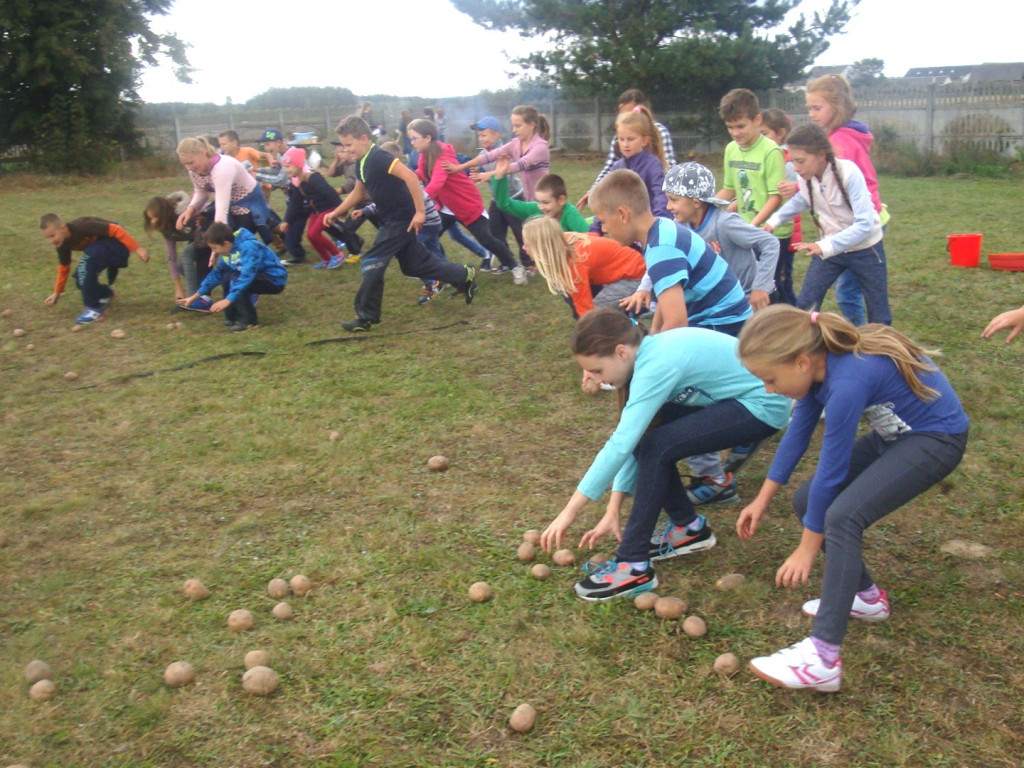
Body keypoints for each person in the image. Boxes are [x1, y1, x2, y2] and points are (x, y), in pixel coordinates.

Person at [736, 305, 968, 691]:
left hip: (936, 439)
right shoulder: (817, 373)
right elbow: (796, 438)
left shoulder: (847, 383)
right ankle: (867, 598)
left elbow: (832, 470)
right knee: (806, 501)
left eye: (770, 379)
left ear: (801, 361)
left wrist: (808, 549)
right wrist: (762, 499)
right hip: (895, 435)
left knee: (841, 517)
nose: (768, 389)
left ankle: (823, 659)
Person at [539, 309, 791, 601]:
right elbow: (633, 439)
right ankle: (689, 529)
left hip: (764, 404)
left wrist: (569, 512)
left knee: (658, 446)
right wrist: (613, 508)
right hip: (731, 398)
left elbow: (620, 444)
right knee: (652, 440)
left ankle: (633, 565)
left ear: (621, 352)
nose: (598, 379)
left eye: (597, 371)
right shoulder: (646, 354)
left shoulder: (657, 364)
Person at [324, 116, 478, 332]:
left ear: (364, 138)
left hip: (401, 219)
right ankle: (463, 275)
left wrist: (420, 212)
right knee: (413, 265)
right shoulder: (361, 162)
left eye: (349, 144)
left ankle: (365, 317)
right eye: (344, 146)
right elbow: (359, 192)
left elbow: (411, 178)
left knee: (371, 261)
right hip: (391, 219)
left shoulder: (379, 157)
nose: (347, 150)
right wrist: (336, 212)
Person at [592, 169, 751, 337]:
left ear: (623, 215)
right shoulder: (661, 228)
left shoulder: (662, 249)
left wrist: (653, 350)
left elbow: (676, 322)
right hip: (727, 319)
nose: (604, 229)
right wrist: (654, 332)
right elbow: (667, 292)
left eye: (603, 222)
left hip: (725, 325)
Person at [764, 124, 891, 325]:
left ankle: (882, 352)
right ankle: (808, 349)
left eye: (800, 161)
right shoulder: (805, 176)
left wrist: (823, 246)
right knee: (805, 305)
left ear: (821, 154)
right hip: (831, 251)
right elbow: (802, 199)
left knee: (879, 314)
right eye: (793, 161)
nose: (795, 168)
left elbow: (865, 224)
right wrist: (772, 222)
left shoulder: (849, 173)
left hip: (866, 249)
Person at [804, 74, 890, 327]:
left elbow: (829, 184)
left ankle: (860, 336)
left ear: (837, 106)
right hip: (859, 220)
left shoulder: (839, 142)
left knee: (848, 292)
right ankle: (863, 335)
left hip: (860, 226)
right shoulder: (843, 136)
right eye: (809, 108)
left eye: (817, 108)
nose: (811, 114)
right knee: (851, 291)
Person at [407, 119, 525, 285]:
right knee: (428, 236)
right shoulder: (424, 155)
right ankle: (444, 273)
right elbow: (421, 172)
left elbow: (436, 183)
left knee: (487, 240)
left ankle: (514, 266)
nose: (411, 143)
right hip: (446, 207)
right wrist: (404, 176)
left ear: (427, 138)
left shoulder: (442, 155)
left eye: (414, 138)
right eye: (410, 139)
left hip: (466, 204)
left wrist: (419, 202)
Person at [662, 162, 778, 312]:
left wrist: (761, 287)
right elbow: (661, 255)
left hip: (754, 300)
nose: (668, 206)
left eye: (674, 199)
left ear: (696, 202)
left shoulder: (724, 223)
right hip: (723, 302)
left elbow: (770, 243)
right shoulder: (679, 228)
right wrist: (644, 289)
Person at [522, 217, 646, 318]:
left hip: (635, 276)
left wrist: (586, 333)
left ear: (542, 247)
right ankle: (635, 306)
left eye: (527, 245)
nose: (523, 248)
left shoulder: (573, 264)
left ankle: (636, 313)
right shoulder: (564, 241)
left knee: (599, 314)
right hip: (631, 267)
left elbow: (586, 310)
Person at [39, 213, 149, 324]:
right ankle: (105, 293)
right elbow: (64, 266)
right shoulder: (62, 244)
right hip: (99, 249)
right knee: (80, 279)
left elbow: (116, 230)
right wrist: (57, 292)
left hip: (116, 243)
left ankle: (94, 309)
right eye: (47, 238)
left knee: (87, 263)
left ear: (62, 228)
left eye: (52, 235)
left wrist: (137, 248)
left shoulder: (82, 226)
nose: (50, 241)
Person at [578, 88, 677, 211]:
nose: (625, 143)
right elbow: (609, 169)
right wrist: (594, 191)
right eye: (622, 114)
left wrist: (665, 210)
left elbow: (670, 171)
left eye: (628, 113)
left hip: (653, 202)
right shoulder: (620, 138)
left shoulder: (659, 132)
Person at [178, 223, 287, 332]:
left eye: (214, 248)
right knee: (226, 276)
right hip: (255, 277)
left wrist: (227, 300)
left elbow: (247, 276)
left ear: (226, 244)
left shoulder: (249, 248)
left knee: (235, 278)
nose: (214, 252)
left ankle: (249, 322)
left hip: (274, 280)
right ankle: (232, 317)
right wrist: (195, 296)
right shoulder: (229, 252)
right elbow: (216, 274)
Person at [175, 137, 275, 245]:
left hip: (247, 203)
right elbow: (201, 191)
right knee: (204, 242)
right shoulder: (194, 170)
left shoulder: (222, 168)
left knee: (238, 244)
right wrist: (189, 210)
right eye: (184, 164)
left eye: (190, 163)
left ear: (202, 152)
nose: (188, 168)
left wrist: (218, 238)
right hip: (226, 204)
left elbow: (222, 209)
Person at [444, 105, 551, 203]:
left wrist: (487, 175)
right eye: (513, 126)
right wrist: (460, 167)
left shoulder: (540, 147)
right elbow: (489, 156)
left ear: (532, 125)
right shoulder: (515, 143)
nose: (514, 130)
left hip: (545, 203)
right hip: (529, 202)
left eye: (518, 126)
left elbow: (520, 165)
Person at [715, 89, 786, 232]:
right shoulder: (731, 149)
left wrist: (753, 226)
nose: (735, 133)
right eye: (730, 127)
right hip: (746, 227)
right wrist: (704, 207)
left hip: (771, 231)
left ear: (757, 120)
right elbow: (729, 189)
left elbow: (776, 198)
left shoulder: (771, 151)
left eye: (741, 126)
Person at [588, 105, 668, 230]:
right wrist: (596, 230)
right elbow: (606, 201)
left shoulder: (653, 164)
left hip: (648, 228)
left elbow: (660, 196)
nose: (625, 144)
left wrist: (659, 224)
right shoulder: (617, 167)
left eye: (630, 139)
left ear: (644, 140)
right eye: (621, 139)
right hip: (625, 231)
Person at [467, 116, 528, 271]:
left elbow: (504, 172)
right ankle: (507, 262)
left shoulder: (505, 151)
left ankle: (529, 264)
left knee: (520, 232)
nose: (481, 139)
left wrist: (485, 176)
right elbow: (481, 170)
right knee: (495, 232)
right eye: (479, 136)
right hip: (497, 199)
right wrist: (475, 173)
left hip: (513, 197)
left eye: (484, 135)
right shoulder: (482, 154)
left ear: (496, 135)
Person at [759, 108, 801, 305]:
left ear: (781, 133)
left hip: (783, 232)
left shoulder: (787, 163)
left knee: (782, 283)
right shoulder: (767, 157)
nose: (761, 139)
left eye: (765, 134)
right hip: (770, 228)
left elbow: (796, 200)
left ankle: (795, 318)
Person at [280, 147, 345, 269]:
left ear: (298, 165)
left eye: (288, 166)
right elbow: (295, 203)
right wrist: (287, 220)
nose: (285, 169)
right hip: (316, 211)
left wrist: (340, 209)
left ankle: (337, 254)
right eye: (285, 166)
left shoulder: (313, 177)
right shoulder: (296, 182)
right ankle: (326, 259)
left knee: (315, 234)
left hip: (327, 209)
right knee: (310, 236)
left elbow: (329, 192)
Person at [492, 160, 588, 233]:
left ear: (561, 200)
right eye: (538, 201)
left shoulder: (570, 214)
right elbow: (505, 204)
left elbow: (589, 238)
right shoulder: (536, 210)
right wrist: (500, 176)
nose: (541, 206)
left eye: (545, 202)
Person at [143, 192, 195, 302]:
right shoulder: (165, 228)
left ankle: (193, 298)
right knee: (181, 265)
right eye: (150, 218)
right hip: (195, 238)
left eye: (154, 217)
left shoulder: (185, 214)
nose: (152, 222)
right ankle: (198, 290)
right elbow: (171, 257)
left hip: (208, 235)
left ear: (164, 214)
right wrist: (178, 288)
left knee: (187, 255)